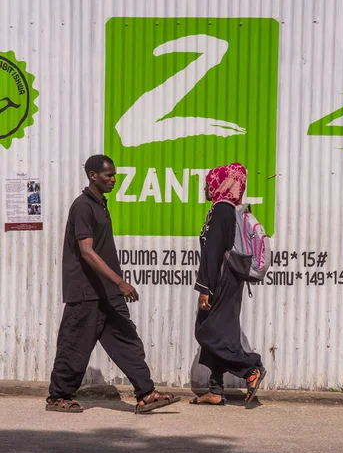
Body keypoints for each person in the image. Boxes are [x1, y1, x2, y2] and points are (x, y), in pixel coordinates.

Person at [46, 155, 180, 414]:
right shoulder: (83, 206)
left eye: (114, 174)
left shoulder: (100, 205)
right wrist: (119, 281)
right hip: (86, 292)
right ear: (92, 175)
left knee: (127, 341)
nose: (113, 179)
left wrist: (114, 285)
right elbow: (86, 251)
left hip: (107, 293)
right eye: (108, 175)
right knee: (75, 346)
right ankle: (58, 397)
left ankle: (146, 393)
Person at [192, 162, 266, 406]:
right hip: (230, 278)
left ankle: (250, 368)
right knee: (219, 330)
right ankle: (215, 389)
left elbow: (212, 252)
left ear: (221, 183)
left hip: (221, 279)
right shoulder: (229, 209)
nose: (205, 187)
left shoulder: (221, 209)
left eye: (209, 182)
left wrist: (205, 288)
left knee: (207, 332)